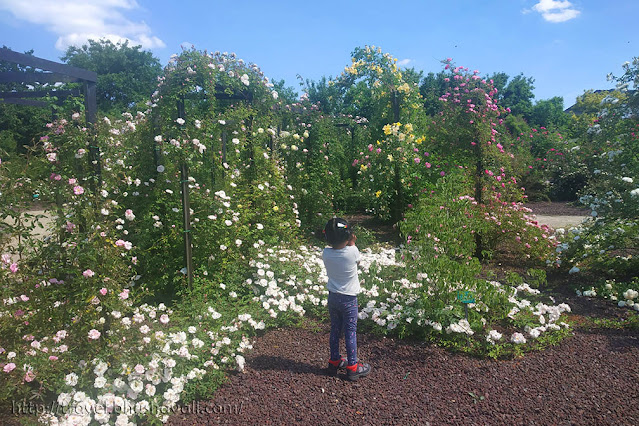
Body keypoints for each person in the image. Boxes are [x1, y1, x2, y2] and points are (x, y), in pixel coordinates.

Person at [322, 217, 371, 381]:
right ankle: (353, 367)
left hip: (333, 298)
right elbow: (357, 258)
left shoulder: (326, 253)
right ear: (349, 236)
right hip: (349, 300)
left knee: (335, 329)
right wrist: (352, 242)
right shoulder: (352, 252)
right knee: (350, 332)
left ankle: (334, 361)